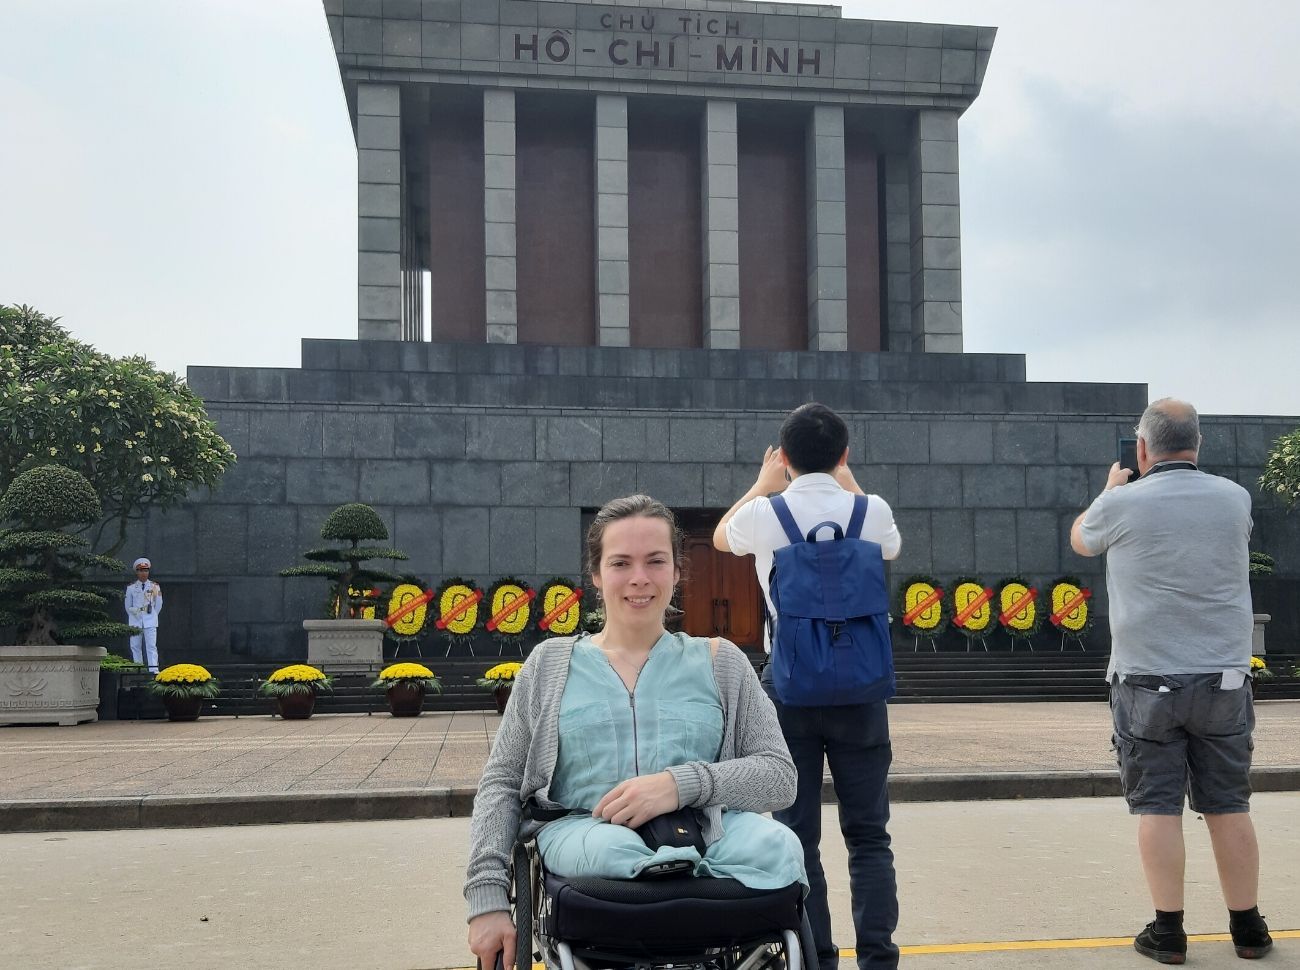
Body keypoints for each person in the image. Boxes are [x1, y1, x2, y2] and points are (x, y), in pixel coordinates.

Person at [464, 494, 805, 968]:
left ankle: (681, 864)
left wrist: (678, 785)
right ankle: (667, 868)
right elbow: (500, 785)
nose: (639, 578)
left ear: (677, 572)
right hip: (591, 835)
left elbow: (779, 777)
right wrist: (488, 900)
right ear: (598, 575)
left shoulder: (721, 662)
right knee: (609, 848)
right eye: (621, 562)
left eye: (655, 561)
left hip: (708, 829)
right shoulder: (549, 666)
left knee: (780, 844)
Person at [1070, 398, 1273, 964]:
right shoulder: (1236, 499)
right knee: (1229, 804)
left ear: (1141, 448)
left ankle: (1169, 932)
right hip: (1224, 679)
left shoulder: (1122, 503)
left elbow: (1081, 540)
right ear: (1198, 444)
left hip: (1146, 681)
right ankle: (1248, 928)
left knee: (1158, 806)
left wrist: (1110, 489)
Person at [714, 402, 903, 970]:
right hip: (863, 693)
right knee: (870, 836)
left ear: (786, 457)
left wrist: (760, 483)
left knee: (799, 836)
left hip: (791, 689)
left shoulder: (767, 514)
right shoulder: (871, 510)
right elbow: (889, 544)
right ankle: (879, 958)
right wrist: (850, 482)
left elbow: (722, 537)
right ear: (844, 454)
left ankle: (818, 956)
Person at [124, 557, 162, 673]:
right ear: (137, 572)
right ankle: (138, 669)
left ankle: (153, 670)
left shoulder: (155, 586)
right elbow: (127, 606)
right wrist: (135, 613)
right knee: (135, 645)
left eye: (146, 570)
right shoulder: (131, 588)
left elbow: (159, 604)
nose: (144, 573)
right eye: (141, 571)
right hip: (135, 620)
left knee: (151, 646)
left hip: (150, 619)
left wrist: (152, 615)